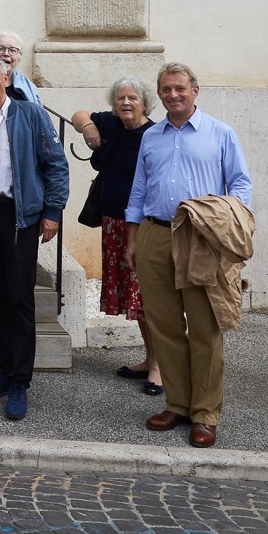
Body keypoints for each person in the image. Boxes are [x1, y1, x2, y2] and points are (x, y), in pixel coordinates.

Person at [125, 62, 253, 449]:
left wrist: (228, 221)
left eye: (180, 88)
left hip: (201, 240)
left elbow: (241, 183)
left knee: (204, 329)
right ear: (159, 95)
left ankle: (205, 414)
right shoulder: (152, 137)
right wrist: (133, 240)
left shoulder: (220, 133)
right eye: (165, 90)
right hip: (155, 235)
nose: (173, 95)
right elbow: (138, 188)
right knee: (164, 326)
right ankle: (178, 404)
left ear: (195, 90)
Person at [0, 54, 69, 423]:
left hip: (20, 217)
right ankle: (5, 369)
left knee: (19, 298)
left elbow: (55, 164)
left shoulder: (30, 115)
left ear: (6, 78)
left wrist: (53, 211)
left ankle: (21, 380)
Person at [71, 77, 161, 394]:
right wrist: (88, 129)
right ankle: (149, 357)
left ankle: (159, 366)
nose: (125, 103)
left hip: (142, 225)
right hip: (113, 223)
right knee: (132, 299)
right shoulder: (110, 123)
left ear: (145, 103)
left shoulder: (156, 134)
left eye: (132, 98)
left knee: (146, 296)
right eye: (121, 97)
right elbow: (80, 114)